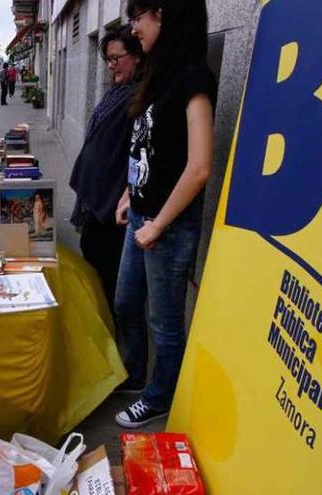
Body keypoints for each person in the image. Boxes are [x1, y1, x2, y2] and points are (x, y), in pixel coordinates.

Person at [113, 0, 217, 428]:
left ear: (166, 14)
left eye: (139, 16)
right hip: (140, 216)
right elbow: (146, 150)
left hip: (167, 227)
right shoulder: (156, 74)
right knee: (125, 304)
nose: (133, 26)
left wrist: (158, 224)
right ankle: (137, 375)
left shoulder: (193, 76)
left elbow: (200, 167)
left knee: (166, 322)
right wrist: (127, 194)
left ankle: (160, 396)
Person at [68, 25, 143, 357]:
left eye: (117, 58)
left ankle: (109, 344)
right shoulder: (117, 91)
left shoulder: (142, 95)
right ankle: (100, 332)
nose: (111, 65)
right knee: (93, 261)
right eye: (107, 59)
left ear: (137, 57)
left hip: (114, 201)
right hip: (96, 197)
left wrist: (123, 193)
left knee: (107, 271)